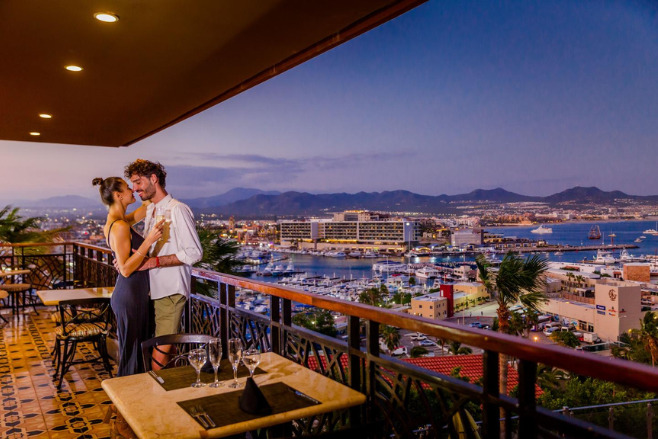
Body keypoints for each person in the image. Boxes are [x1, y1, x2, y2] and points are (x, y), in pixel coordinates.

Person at [124, 159, 203, 369]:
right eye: (132, 184)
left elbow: (194, 253)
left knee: (160, 348)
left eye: (138, 182)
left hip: (171, 290)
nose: (135, 189)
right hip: (154, 290)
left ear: (153, 179)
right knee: (166, 346)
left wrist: (153, 262)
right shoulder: (151, 210)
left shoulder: (178, 210)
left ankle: (155, 395)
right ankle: (171, 392)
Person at [93, 177, 164, 376]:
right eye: (128, 188)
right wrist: (148, 241)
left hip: (132, 294)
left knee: (135, 354)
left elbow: (145, 208)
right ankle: (125, 402)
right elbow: (124, 269)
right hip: (130, 295)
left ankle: (134, 401)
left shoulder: (119, 221)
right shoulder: (120, 226)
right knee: (132, 356)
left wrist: (148, 183)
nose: (133, 190)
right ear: (118, 195)